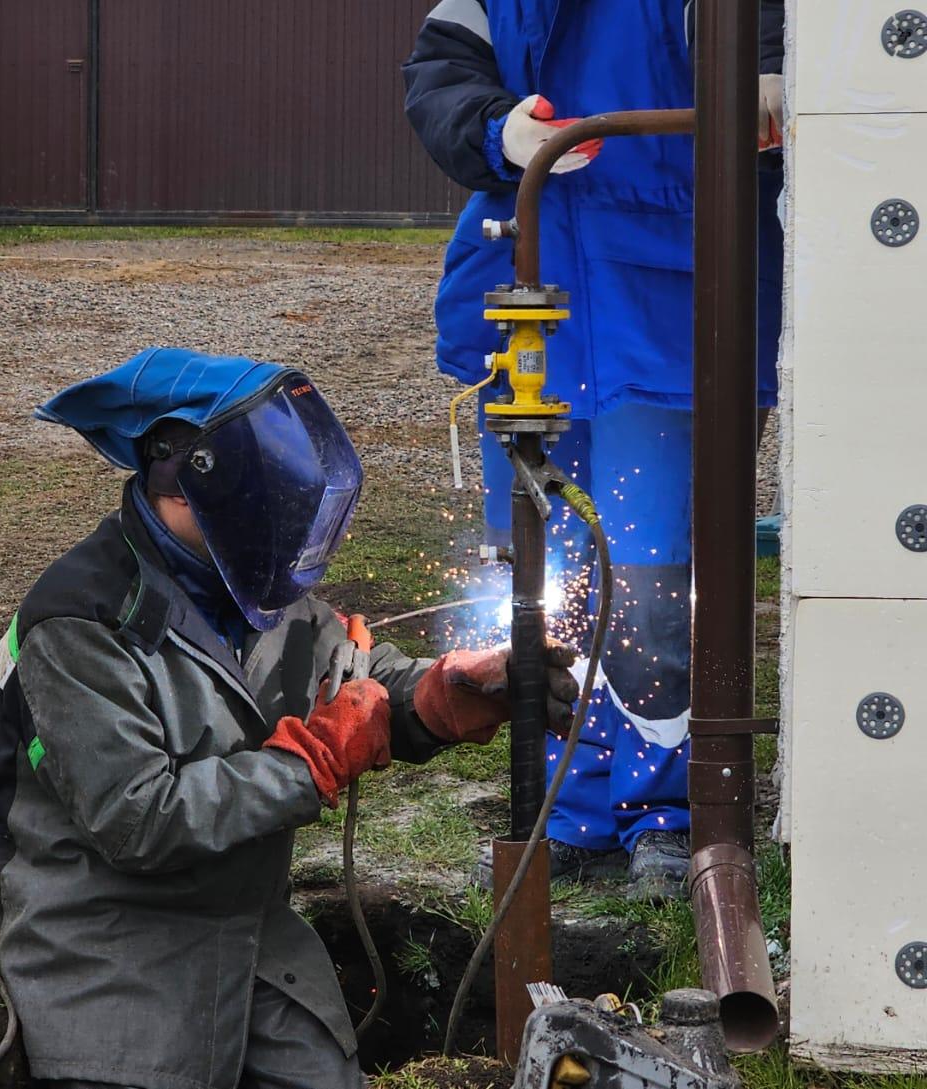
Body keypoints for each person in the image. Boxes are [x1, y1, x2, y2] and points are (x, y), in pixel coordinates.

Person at [0, 347, 577, 1089]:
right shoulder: (78, 622)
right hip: (109, 948)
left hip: (249, 937)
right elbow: (139, 819)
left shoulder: (246, 580)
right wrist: (311, 763)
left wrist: (436, 694)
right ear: (194, 485)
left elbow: (351, 680)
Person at [403, 1, 784, 897]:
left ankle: (669, 811)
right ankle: (570, 799)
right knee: (548, 571)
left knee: (652, 577)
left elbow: (776, 41)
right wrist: (498, 128)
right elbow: (438, 76)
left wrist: (773, 82)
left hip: (666, 303)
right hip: (533, 289)